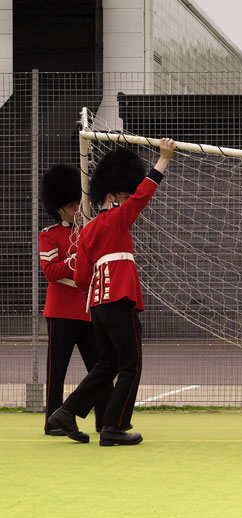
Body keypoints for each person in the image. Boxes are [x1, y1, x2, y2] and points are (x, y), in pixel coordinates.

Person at [47, 139, 176, 446]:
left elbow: (80, 279)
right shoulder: (117, 219)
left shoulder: (89, 230)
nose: (128, 198)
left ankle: (66, 412)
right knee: (131, 364)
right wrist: (163, 160)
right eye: (123, 194)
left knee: (108, 364)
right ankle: (114, 426)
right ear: (112, 195)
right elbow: (144, 194)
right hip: (119, 298)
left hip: (98, 306)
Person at [38, 164, 109, 436]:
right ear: (59, 208)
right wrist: (76, 261)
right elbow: (51, 272)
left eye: (79, 202)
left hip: (88, 311)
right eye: (71, 204)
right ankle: (52, 422)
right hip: (60, 312)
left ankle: (104, 421)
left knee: (99, 369)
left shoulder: (90, 230)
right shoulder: (49, 235)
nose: (77, 207)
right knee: (57, 372)